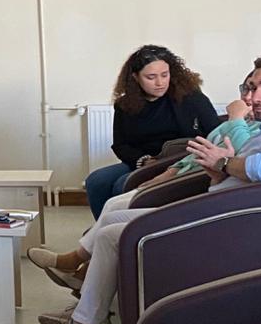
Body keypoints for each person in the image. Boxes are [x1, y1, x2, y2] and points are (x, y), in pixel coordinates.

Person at [28, 53, 261, 324]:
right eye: (251, 88)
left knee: (113, 235)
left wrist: (223, 163)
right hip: (216, 214)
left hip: (226, 228)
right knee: (112, 223)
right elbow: (246, 177)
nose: (254, 97)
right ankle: (90, 316)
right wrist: (218, 175)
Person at [83, 44, 221, 217]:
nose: (160, 83)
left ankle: (127, 229)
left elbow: (217, 134)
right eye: (151, 77)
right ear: (135, 77)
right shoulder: (125, 105)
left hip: (181, 160)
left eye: (165, 75)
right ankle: (104, 228)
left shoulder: (192, 98)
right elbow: (121, 145)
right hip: (144, 162)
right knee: (96, 181)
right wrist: (143, 161)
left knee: (122, 185)